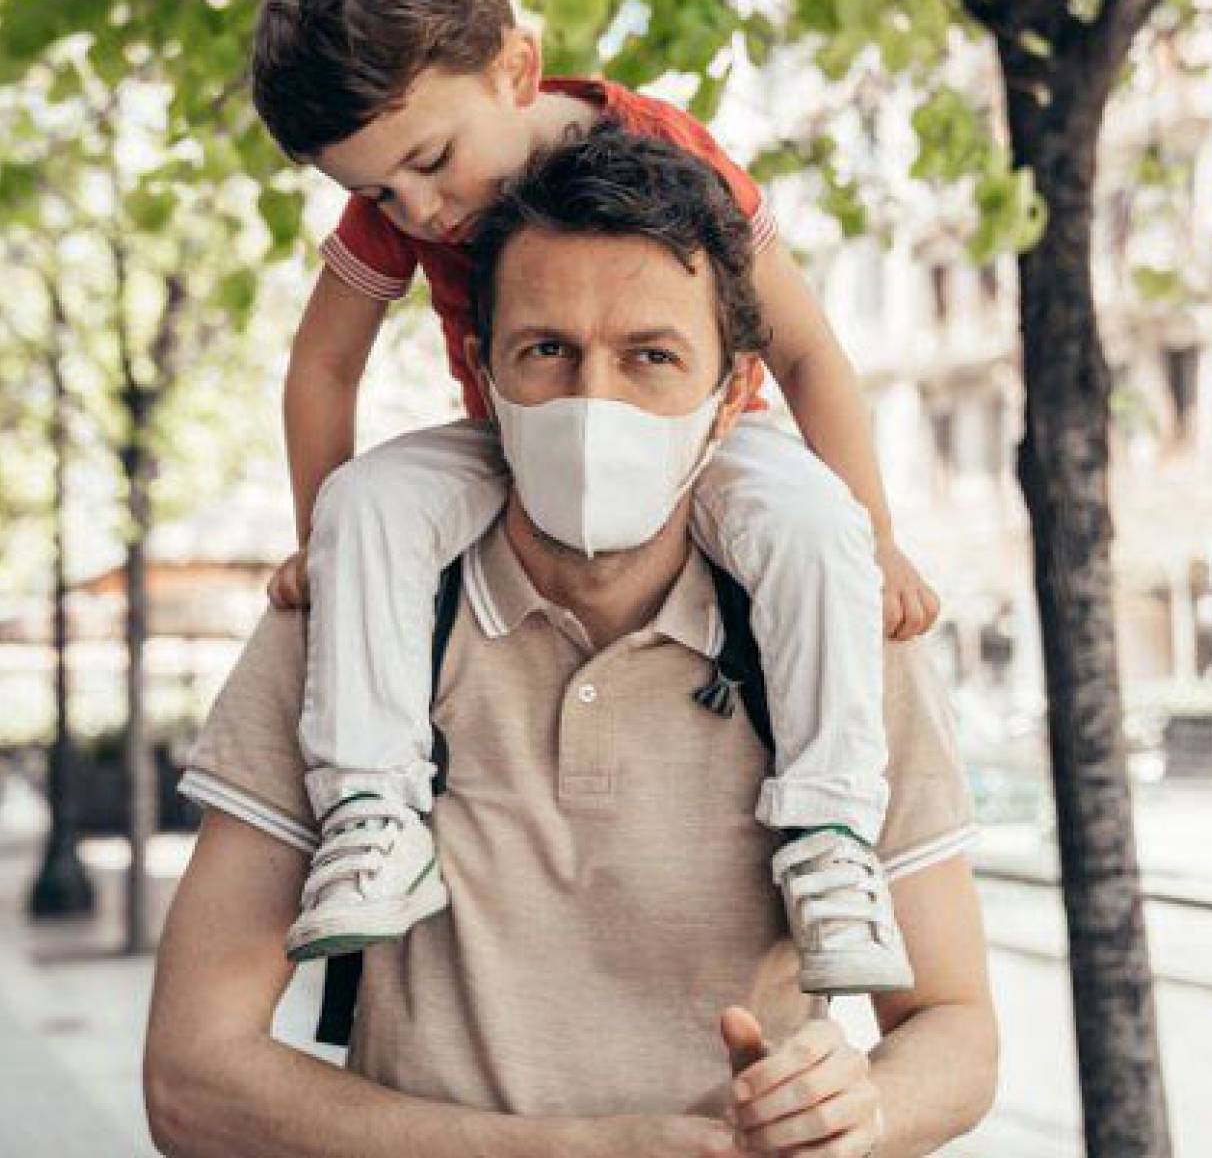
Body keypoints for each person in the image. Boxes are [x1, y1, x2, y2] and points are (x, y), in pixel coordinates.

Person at [144, 127, 996, 1158]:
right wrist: (591, 1152)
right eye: (547, 351)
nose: (595, 405)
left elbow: (955, 1031)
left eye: (652, 356)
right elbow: (193, 1082)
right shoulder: (346, 635)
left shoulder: (831, 638)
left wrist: (861, 1108)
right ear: (481, 372)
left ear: (732, 396)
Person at [252, 0, 941, 990]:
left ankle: (830, 837)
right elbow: (321, 369)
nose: (419, 209)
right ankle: (374, 815)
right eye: (381, 191)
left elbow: (805, 348)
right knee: (370, 506)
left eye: (429, 164)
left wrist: (880, 539)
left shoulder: (664, 150)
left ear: (514, 69)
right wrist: (317, 543)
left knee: (814, 530)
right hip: (514, 440)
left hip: (702, 442)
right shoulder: (404, 193)